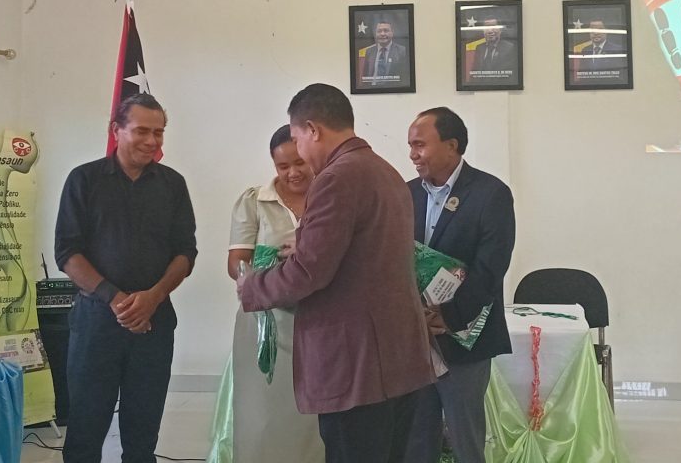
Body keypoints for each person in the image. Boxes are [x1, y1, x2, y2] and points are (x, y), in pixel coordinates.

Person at [238, 83, 434, 463]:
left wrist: (252, 287)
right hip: (398, 359)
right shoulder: (385, 171)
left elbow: (308, 272)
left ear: (313, 129)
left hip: (357, 367)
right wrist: (305, 242)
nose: (300, 153)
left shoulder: (336, 177)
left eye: (297, 139)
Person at [54, 93, 197, 463]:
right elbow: (67, 253)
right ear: (115, 130)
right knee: (85, 433)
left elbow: (186, 252)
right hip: (96, 324)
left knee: (142, 436)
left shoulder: (172, 184)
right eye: (142, 131)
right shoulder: (84, 180)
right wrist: (116, 299)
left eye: (159, 133)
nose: (152, 141)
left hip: (154, 324)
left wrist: (153, 297)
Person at [206, 125, 324, 463]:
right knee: (263, 411)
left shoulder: (329, 197)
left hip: (318, 318)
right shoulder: (255, 200)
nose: (292, 173)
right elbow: (236, 263)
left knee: (314, 412)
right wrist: (273, 266)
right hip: (266, 321)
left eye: (299, 163)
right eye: (283, 166)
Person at [405, 107, 516, 463]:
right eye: (410, 146)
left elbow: (490, 268)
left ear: (451, 145)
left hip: (462, 336)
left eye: (420, 144)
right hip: (414, 338)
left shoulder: (490, 193)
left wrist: (449, 316)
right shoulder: (405, 193)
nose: (413, 154)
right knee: (415, 438)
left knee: (464, 438)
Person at [361, 20, 409, 86]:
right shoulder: (369, 51)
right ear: (375, 34)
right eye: (379, 31)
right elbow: (365, 77)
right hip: (372, 89)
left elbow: (405, 78)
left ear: (392, 33)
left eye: (386, 31)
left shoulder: (402, 51)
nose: (382, 34)